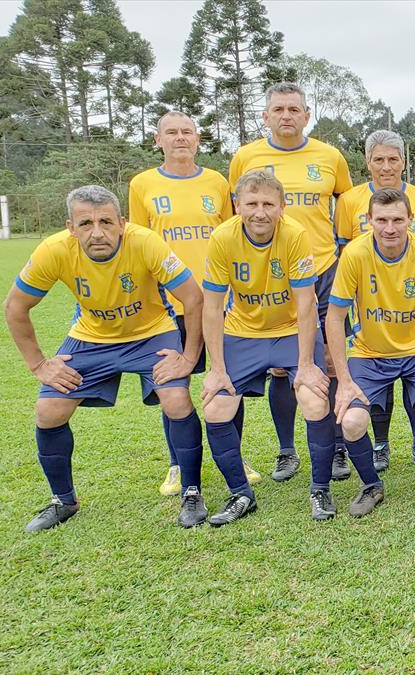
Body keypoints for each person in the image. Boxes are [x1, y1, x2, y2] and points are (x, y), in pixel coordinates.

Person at [6, 185, 206, 530]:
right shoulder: (54, 251)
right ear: (71, 227)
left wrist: (188, 358)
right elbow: (15, 306)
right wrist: (39, 365)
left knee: (175, 399)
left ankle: (191, 491)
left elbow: (193, 297)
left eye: (105, 222)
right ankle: (63, 500)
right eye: (85, 224)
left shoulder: (145, 242)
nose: (97, 232)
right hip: (91, 337)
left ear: (121, 223)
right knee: (48, 411)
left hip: (151, 332)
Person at [128, 111, 258, 496]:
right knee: (174, 386)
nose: (180, 138)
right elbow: (136, 244)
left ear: (198, 139)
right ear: (158, 140)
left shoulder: (217, 182)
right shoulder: (142, 184)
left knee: (226, 379)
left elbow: (235, 236)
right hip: (167, 307)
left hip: (217, 302)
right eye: (172, 132)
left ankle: (234, 454)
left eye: (187, 132)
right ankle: (176, 463)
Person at [229, 82, 353, 483]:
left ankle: (335, 447)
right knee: (281, 370)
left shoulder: (330, 156)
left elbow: (347, 208)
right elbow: (237, 218)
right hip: (270, 276)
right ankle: (286, 450)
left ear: (306, 115)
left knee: (331, 359)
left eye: (294, 109)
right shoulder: (246, 157)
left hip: (322, 271)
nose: (286, 115)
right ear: (265, 115)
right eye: (278, 109)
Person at [198, 170, 334, 525]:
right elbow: (212, 307)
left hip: (291, 331)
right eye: (252, 203)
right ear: (237, 205)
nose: (260, 212)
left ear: (282, 207)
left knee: (315, 399)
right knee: (216, 407)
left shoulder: (295, 235)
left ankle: (320, 489)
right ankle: (240, 493)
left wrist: (305, 364)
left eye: (268, 204)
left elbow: (306, 304)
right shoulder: (222, 237)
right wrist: (216, 368)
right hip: (243, 333)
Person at [325, 187, 415, 516]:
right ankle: (371, 485)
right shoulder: (355, 255)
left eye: (397, 220)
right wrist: (345, 381)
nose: (390, 228)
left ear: (411, 221)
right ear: (369, 221)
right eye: (382, 220)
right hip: (369, 352)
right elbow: (334, 317)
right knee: (351, 420)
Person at [335, 129, 415, 472]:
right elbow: (344, 254)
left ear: (404, 162)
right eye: (378, 159)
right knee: (377, 375)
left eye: (393, 159)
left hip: (412, 307)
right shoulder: (349, 200)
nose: (386, 166)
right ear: (367, 162)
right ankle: (380, 444)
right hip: (371, 309)